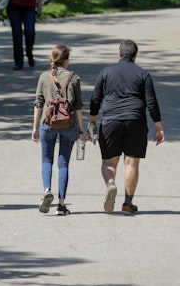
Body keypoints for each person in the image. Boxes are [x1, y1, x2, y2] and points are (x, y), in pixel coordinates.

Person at [88, 40, 165, 214]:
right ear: (135, 55)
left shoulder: (105, 72)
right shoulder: (143, 74)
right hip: (135, 120)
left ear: (119, 53)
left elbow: (95, 99)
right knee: (131, 163)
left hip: (110, 121)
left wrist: (92, 121)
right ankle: (128, 204)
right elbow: (152, 103)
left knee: (109, 162)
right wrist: (159, 127)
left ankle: (110, 185)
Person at [32, 45, 84, 215]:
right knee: (64, 164)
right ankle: (61, 205)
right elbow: (78, 107)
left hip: (47, 124)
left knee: (47, 160)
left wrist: (35, 128)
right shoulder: (74, 78)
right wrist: (81, 130)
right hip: (68, 124)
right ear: (66, 60)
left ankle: (47, 191)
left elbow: (38, 104)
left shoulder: (43, 77)